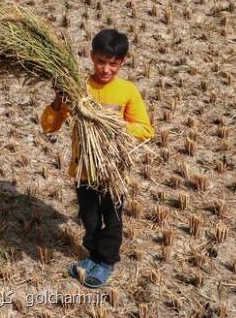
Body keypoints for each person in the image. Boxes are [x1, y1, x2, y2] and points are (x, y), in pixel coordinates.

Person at [40, 29, 154, 288]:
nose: (106, 69)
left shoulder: (127, 90)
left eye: (113, 64)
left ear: (122, 63)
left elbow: (145, 129)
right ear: (91, 57)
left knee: (112, 218)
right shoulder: (78, 87)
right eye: (101, 62)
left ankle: (106, 261)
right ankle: (92, 254)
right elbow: (49, 126)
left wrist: (110, 126)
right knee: (89, 217)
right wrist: (59, 98)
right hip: (84, 169)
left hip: (114, 171)